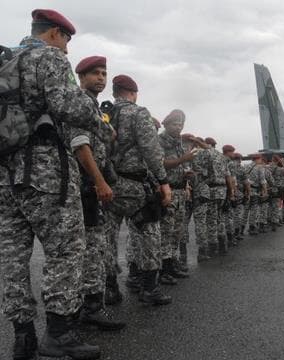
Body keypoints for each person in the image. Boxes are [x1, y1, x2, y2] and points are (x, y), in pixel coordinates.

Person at [0, 9, 115, 359]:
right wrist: (100, 119)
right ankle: (59, 334)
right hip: (44, 170)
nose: (66, 51)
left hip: (5, 175)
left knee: (12, 258)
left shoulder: (6, 60)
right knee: (66, 250)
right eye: (66, 41)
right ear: (54, 34)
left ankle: (23, 337)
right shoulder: (46, 57)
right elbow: (68, 106)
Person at [105, 74, 172, 306]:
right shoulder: (138, 113)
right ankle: (149, 288)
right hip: (133, 186)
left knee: (107, 238)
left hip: (107, 185)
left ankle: (110, 289)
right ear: (133, 93)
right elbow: (151, 152)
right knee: (149, 233)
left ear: (115, 93)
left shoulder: (103, 115)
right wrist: (163, 181)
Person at [73, 56, 125, 330]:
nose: (101, 78)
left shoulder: (92, 106)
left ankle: (90, 306)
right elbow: (81, 146)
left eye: (104, 73)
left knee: (94, 247)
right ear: (81, 77)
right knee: (89, 248)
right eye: (94, 73)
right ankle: (87, 311)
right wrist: (99, 181)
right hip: (86, 186)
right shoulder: (81, 102)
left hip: (92, 186)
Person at [158, 110, 193, 278]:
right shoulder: (160, 140)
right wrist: (183, 160)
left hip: (180, 190)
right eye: (175, 124)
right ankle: (164, 267)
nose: (178, 127)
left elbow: (180, 165)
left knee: (177, 230)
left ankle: (172, 262)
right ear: (166, 124)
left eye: (181, 124)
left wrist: (186, 173)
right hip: (168, 190)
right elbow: (160, 164)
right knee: (166, 230)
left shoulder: (178, 142)